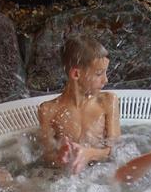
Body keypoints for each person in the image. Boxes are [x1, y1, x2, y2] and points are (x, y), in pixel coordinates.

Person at [38, 34, 120, 174]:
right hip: (69, 178)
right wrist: (60, 158)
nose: (105, 80)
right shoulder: (48, 110)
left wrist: (89, 154)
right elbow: (47, 156)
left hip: (103, 171)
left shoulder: (107, 101)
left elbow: (116, 149)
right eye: (99, 73)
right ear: (76, 74)